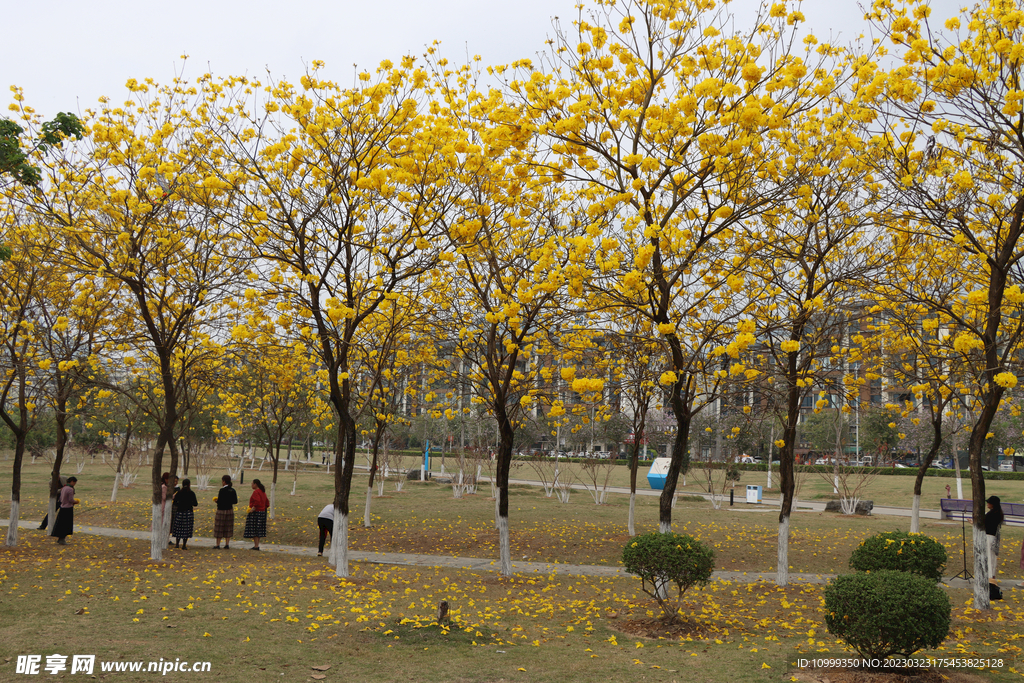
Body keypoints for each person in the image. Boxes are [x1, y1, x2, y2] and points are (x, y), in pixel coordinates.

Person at [49, 476, 78, 545]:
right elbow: (70, 500)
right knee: (66, 525)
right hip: (68, 509)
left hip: (62, 508)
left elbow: (61, 499)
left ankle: (60, 538)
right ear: (72, 482)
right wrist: (76, 502)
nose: (74, 484)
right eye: (74, 483)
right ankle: (62, 539)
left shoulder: (64, 488)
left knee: (61, 524)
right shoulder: (70, 489)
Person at [171, 479, 198, 550]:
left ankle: (177, 544)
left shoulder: (179, 493)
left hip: (180, 512)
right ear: (189, 484)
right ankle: (184, 545)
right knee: (186, 529)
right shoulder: (191, 493)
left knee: (179, 528)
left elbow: (175, 503)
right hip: (188, 512)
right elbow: (195, 503)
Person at [213, 474, 238, 549]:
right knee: (228, 527)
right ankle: (227, 544)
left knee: (219, 527)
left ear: (224, 481)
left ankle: (218, 544)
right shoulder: (232, 490)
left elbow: (220, 501)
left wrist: (217, 501)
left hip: (221, 511)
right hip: (230, 510)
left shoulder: (222, 490)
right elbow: (235, 501)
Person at [243, 479, 269, 550]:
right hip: (262, 512)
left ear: (255, 484)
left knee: (255, 528)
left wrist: (253, 509)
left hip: (256, 512)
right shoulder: (263, 492)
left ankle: (256, 546)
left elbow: (257, 501)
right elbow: (267, 503)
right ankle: (257, 544)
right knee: (259, 529)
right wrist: (263, 508)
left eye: (252, 483)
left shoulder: (256, 492)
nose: (251, 485)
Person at [985, 495, 1004, 583]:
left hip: (989, 536)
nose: (987, 504)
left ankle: (989, 576)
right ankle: (992, 574)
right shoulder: (998, 513)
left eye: (989, 503)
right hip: (994, 537)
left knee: (989, 556)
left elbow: (985, 524)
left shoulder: (992, 514)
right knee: (992, 556)